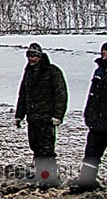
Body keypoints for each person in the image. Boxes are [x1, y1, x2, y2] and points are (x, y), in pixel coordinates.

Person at [15, 42, 68, 187]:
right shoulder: (28, 72)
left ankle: (50, 178)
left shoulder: (52, 71)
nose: (31, 59)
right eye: (29, 55)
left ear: (40, 56)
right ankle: (41, 174)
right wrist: (19, 114)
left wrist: (58, 115)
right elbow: (23, 94)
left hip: (46, 118)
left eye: (34, 56)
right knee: (35, 147)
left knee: (46, 150)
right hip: (33, 118)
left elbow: (61, 94)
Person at [70, 42, 107, 192]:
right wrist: (89, 114)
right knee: (91, 156)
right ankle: (86, 183)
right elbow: (92, 96)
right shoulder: (99, 71)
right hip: (97, 123)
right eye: (103, 50)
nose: (103, 53)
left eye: (106, 51)